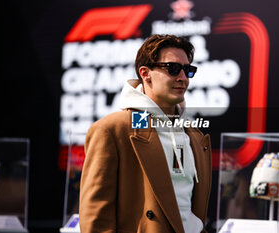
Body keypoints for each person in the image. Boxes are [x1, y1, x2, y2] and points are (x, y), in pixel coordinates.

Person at [79, 34, 212, 233]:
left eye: (188, 70)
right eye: (173, 68)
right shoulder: (112, 129)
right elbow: (95, 218)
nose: (183, 78)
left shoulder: (194, 135)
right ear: (145, 73)